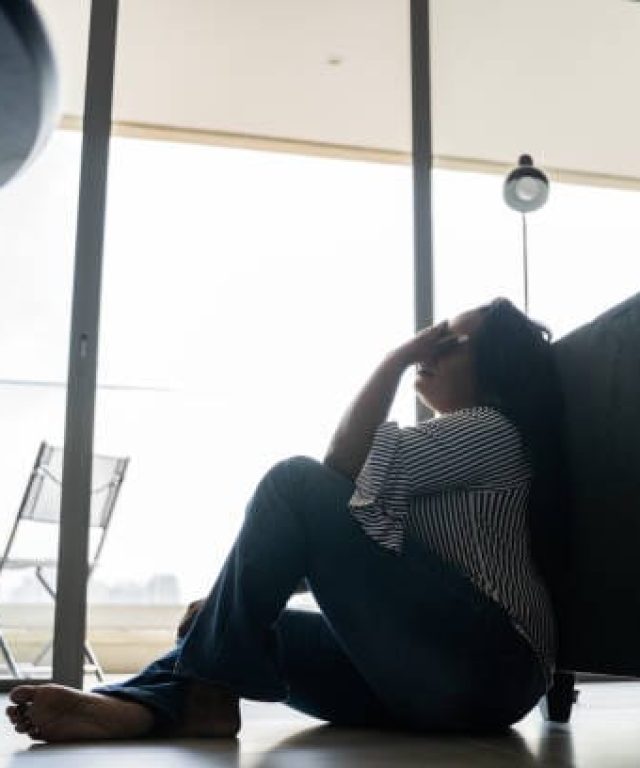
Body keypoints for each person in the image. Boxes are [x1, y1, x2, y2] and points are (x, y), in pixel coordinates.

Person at [5, 297, 564, 742]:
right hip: (428, 684)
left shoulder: (493, 430)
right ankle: (136, 709)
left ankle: (204, 694)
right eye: (430, 340)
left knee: (292, 481)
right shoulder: (433, 458)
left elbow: (337, 465)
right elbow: (330, 545)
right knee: (225, 626)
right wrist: (232, 603)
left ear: (493, 366)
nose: (431, 350)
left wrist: (394, 360)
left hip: (491, 662)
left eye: (449, 341)